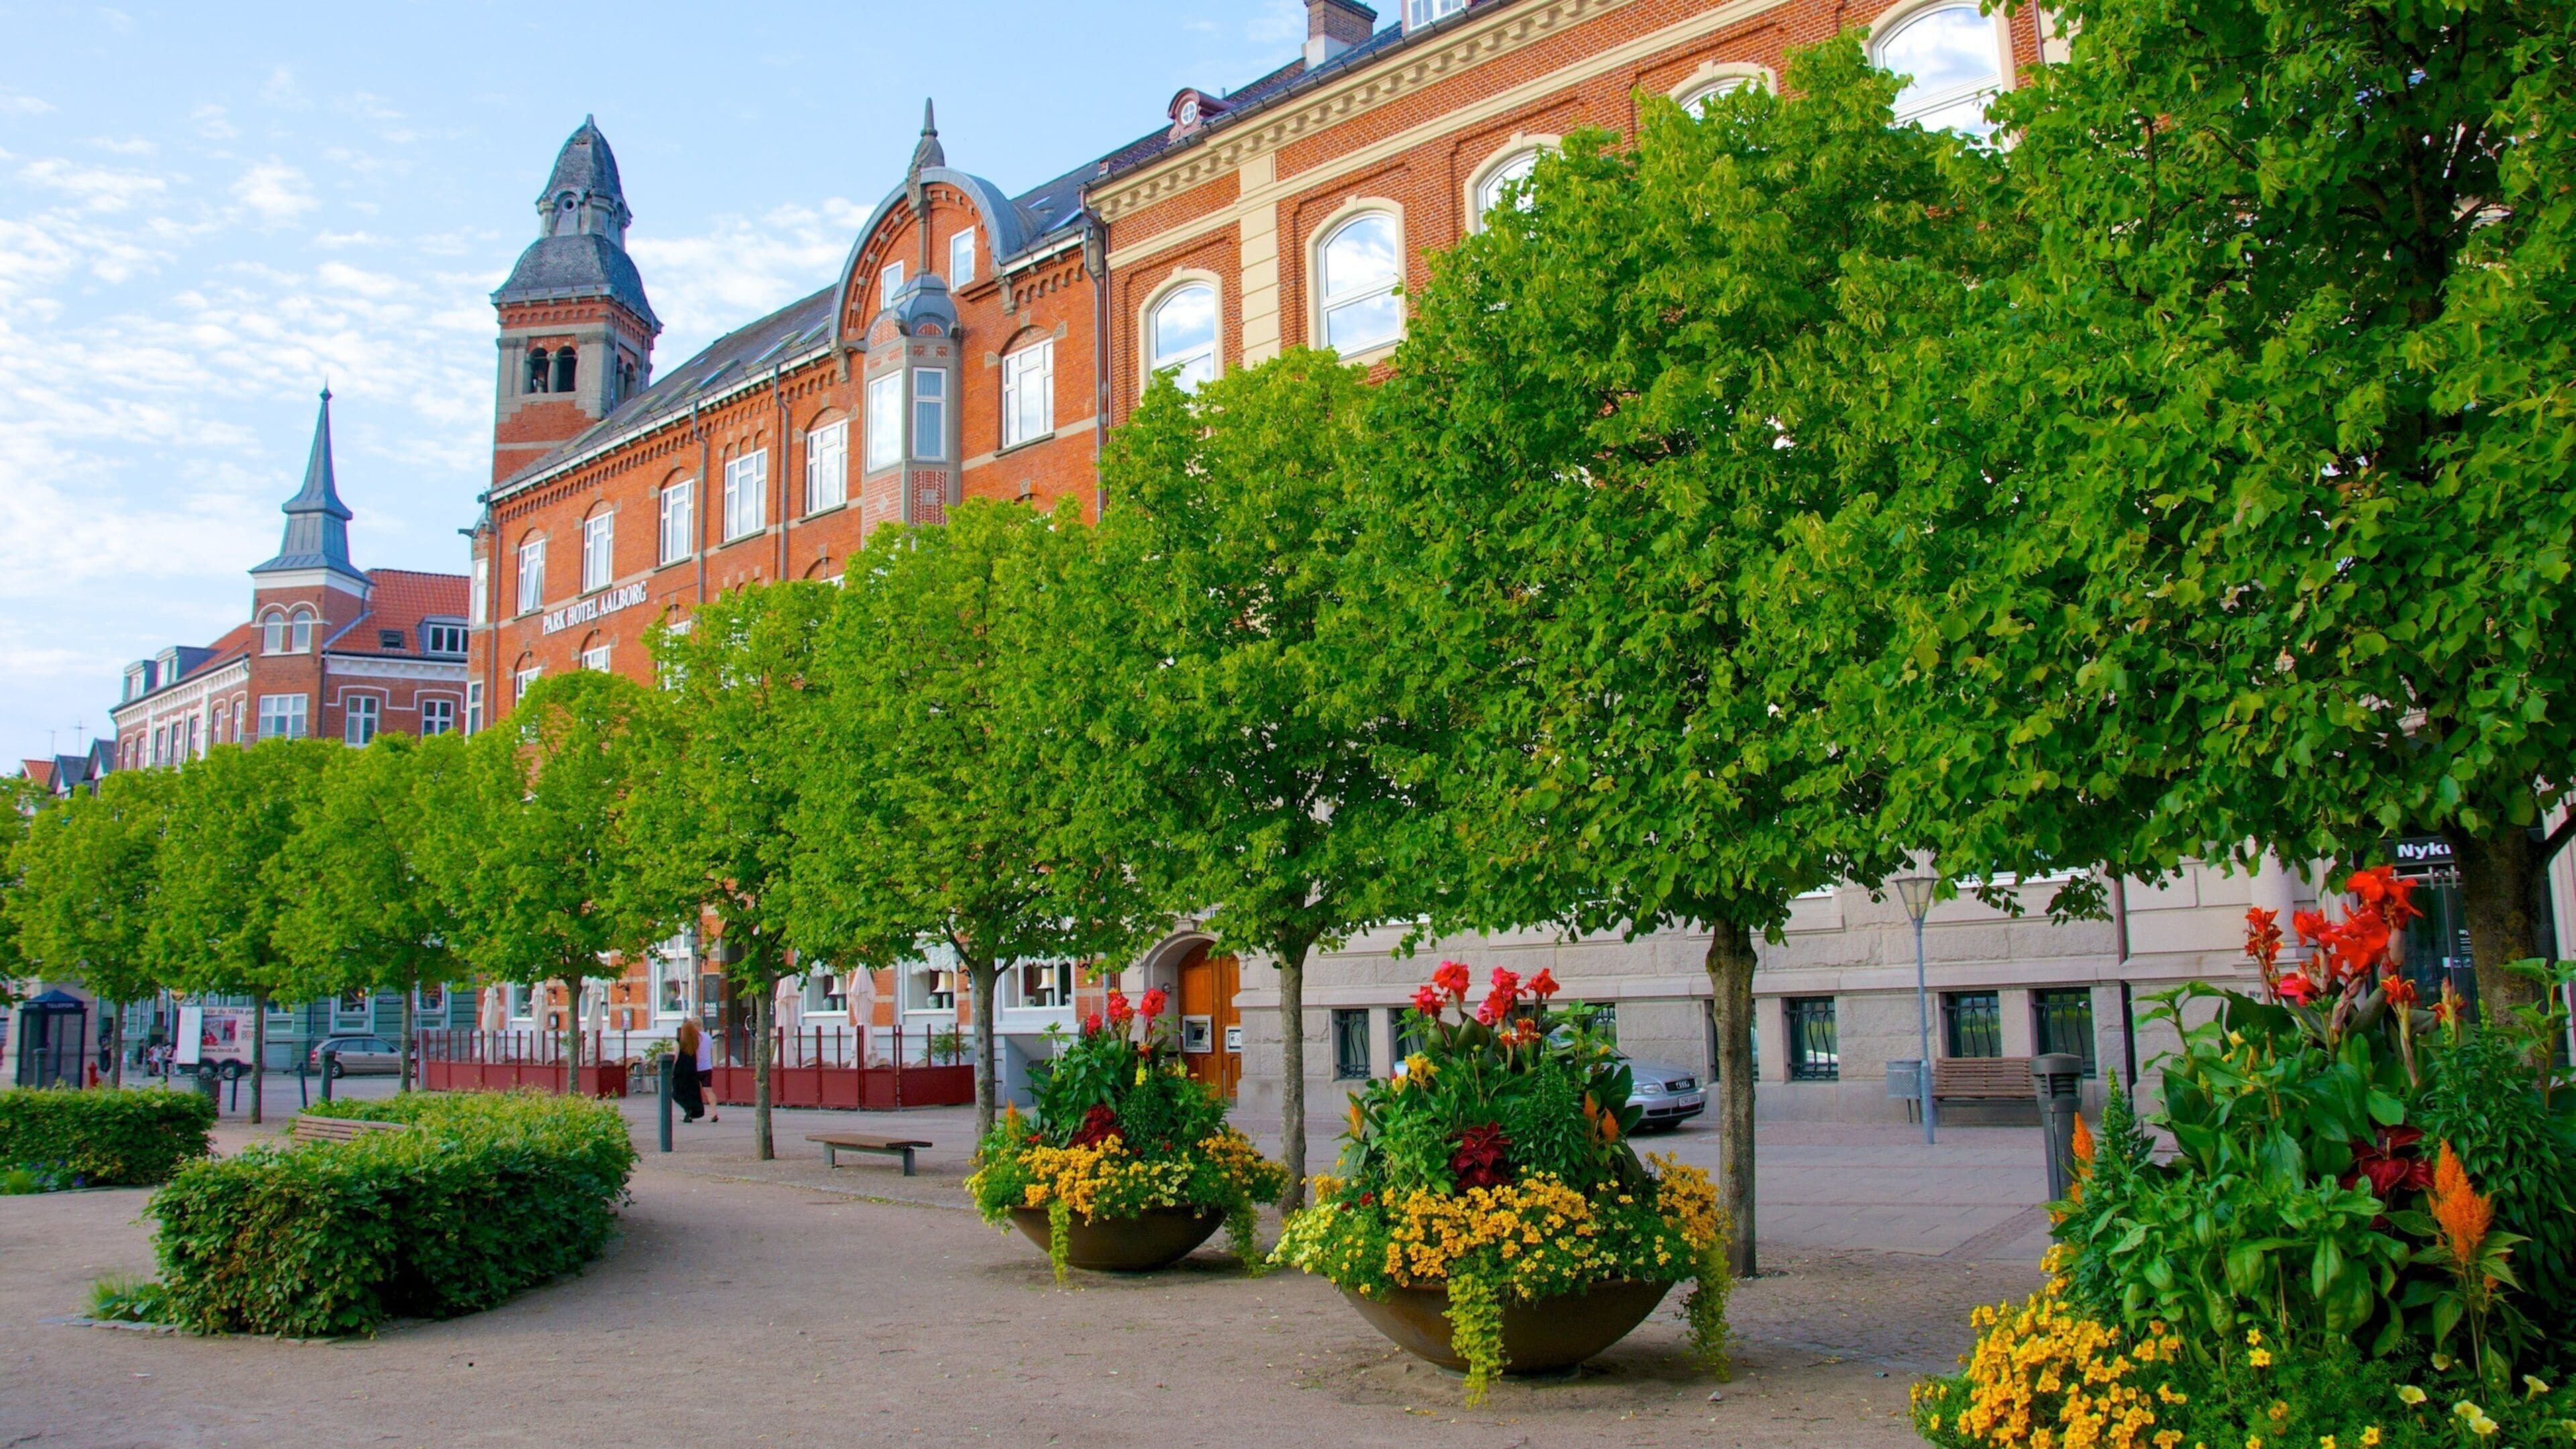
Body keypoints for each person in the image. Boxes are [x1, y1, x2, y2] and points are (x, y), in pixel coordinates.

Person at [672, 1018, 707, 1122]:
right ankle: (691, 1112)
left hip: (680, 1071)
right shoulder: (695, 1043)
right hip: (692, 1071)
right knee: (691, 1093)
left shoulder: (678, 1042)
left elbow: (675, 1057)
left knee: (676, 1093)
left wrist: (671, 1069)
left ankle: (688, 1110)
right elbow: (698, 1056)